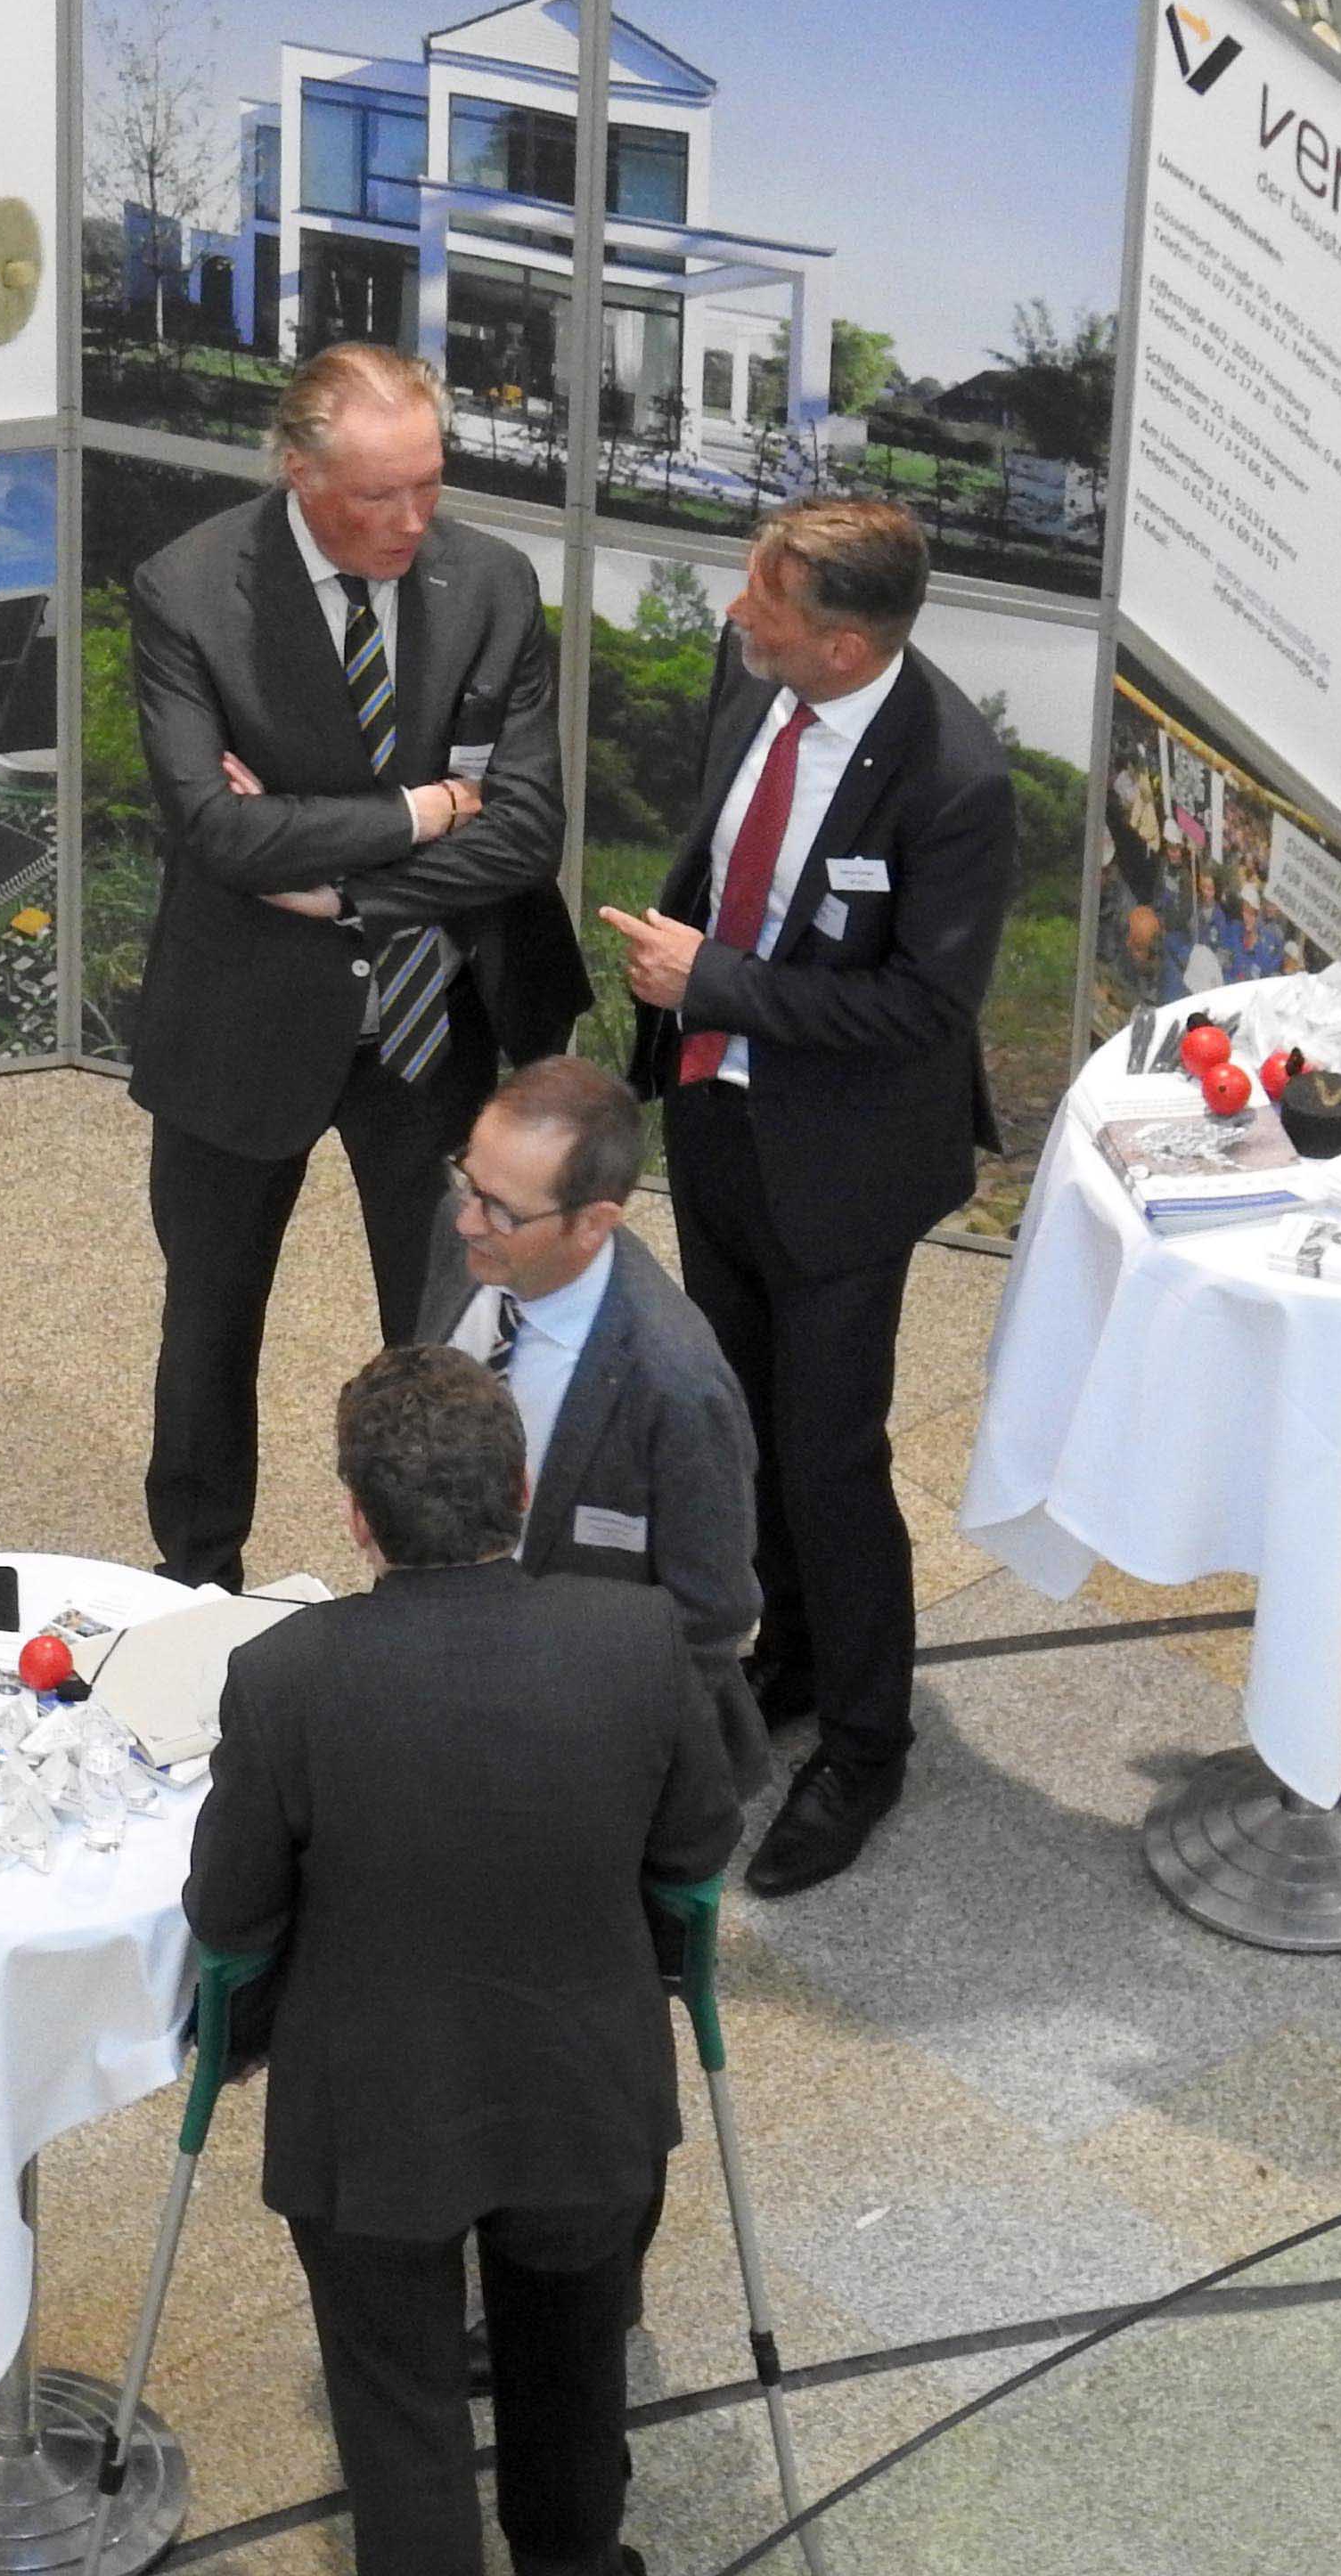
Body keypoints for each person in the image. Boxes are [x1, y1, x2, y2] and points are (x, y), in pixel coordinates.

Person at [187, 1348, 739, 2576]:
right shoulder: (638, 1640)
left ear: (355, 1518)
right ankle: (570, 2558)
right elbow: (696, 1851)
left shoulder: (284, 1678)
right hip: (584, 2091)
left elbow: (231, 1920)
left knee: (398, 2408)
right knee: (574, 2363)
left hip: (372, 2109)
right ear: (523, 1483)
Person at [600, 499, 1018, 1897]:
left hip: (843, 1169)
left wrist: (711, 984)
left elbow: (922, 1007)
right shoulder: (759, 676)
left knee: (832, 1455)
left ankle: (866, 1743)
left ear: (844, 643)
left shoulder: (954, 780)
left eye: (764, 608)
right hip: (716, 1125)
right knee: (740, 1416)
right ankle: (788, 1656)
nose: (732, 617)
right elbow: (725, 857)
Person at [128, 343, 584, 1588]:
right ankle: (195, 1576)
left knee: (441, 1335)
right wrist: (432, 811)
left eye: (428, 485)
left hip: (434, 1027)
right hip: (240, 1023)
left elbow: (531, 831)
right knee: (208, 1325)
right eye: (377, 495)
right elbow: (216, 834)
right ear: (296, 471)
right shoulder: (189, 589)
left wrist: (336, 882)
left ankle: (442, 1587)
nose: (410, 521)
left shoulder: (492, 584)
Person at [413, 1057, 770, 1797]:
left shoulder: (675, 1388)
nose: (466, 1220)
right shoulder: (472, 1242)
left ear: (595, 1222)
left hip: (587, 1748)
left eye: (502, 1209)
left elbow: (709, 1617)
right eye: (466, 1182)